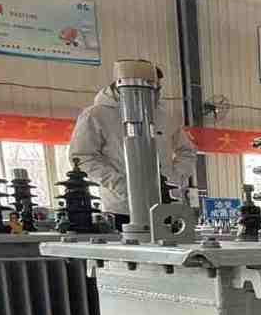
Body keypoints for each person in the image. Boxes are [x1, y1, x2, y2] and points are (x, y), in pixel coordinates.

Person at [68, 65, 197, 230]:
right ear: (122, 86)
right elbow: (82, 157)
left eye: (156, 90)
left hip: (164, 205)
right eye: (147, 90)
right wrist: (120, 184)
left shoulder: (164, 116)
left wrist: (174, 178)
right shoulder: (96, 115)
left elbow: (187, 151)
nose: (154, 96)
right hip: (121, 209)